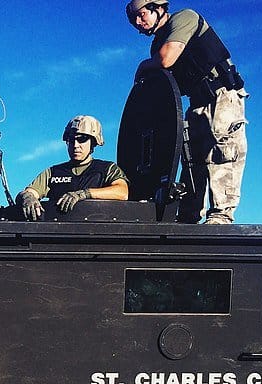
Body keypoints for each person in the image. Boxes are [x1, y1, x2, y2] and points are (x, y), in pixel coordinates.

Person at [126, 0, 248, 224]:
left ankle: (221, 215)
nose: (137, 22)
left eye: (141, 15)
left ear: (157, 8)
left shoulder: (184, 18)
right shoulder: (157, 46)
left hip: (221, 96)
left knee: (221, 152)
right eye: (133, 19)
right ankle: (188, 216)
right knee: (192, 161)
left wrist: (143, 66)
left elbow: (167, 59)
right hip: (195, 103)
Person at [15, 116, 129, 220]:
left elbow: (122, 192)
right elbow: (30, 192)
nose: (75, 145)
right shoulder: (53, 172)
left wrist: (84, 194)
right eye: (71, 140)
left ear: (93, 143)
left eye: (82, 139)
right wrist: (27, 197)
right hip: (58, 232)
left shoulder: (107, 169)